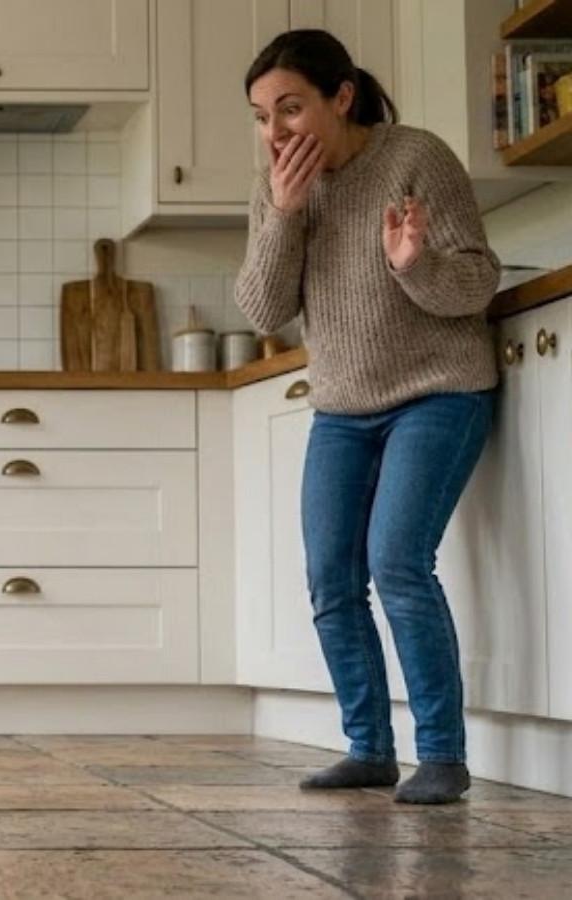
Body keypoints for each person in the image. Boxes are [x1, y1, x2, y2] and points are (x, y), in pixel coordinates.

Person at [235, 29, 501, 805]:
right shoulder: (277, 187)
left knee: (396, 562)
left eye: (290, 108)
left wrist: (414, 264)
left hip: (437, 392)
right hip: (343, 407)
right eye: (261, 116)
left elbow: (477, 285)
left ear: (340, 96)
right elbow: (264, 308)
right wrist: (284, 214)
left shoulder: (416, 158)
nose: (275, 131)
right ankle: (368, 748)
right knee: (329, 576)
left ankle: (443, 756)